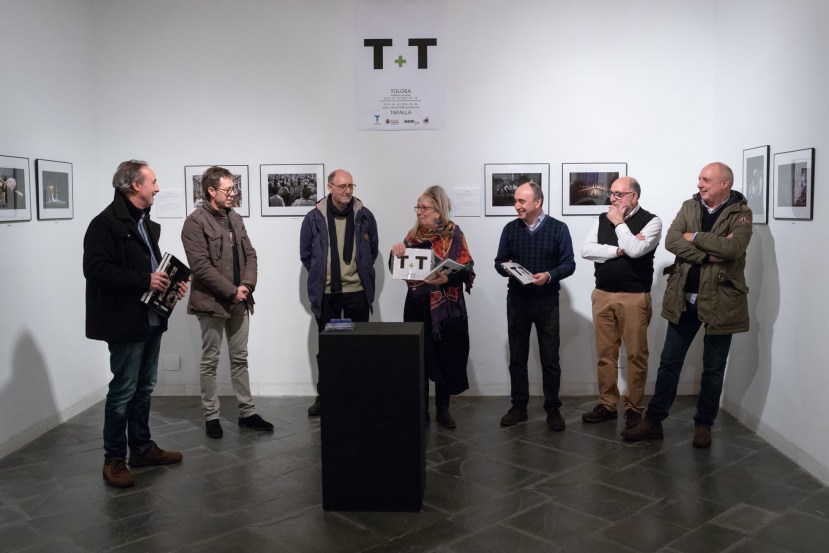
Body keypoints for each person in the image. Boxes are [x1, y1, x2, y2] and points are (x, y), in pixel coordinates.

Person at [622, 162, 752, 448]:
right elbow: (671, 241)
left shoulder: (741, 213)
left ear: (724, 183)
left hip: (722, 302)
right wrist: (707, 254)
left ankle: (704, 424)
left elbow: (734, 249)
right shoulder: (689, 206)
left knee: (713, 368)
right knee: (669, 363)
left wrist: (694, 236)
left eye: (705, 180)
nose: (699, 184)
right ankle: (654, 421)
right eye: (699, 179)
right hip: (683, 298)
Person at [83, 160, 187, 488]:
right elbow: (95, 270)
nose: (157, 188)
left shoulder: (143, 221)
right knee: (124, 390)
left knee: (144, 387)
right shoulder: (104, 224)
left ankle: (141, 448)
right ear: (134, 185)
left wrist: (170, 286)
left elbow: (151, 267)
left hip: (150, 318)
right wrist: (146, 280)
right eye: (153, 182)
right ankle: (114, 458)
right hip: (124, 321)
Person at [181, 166, 274, 439]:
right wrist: (232, 291)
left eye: (234, 188)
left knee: (240, 358)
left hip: (240, 300)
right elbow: (200, 267)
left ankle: (247, 412)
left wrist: (247, 286)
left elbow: (251, 255)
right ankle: (211, 416)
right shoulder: (194, 223)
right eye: (228, 189)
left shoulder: (235, 217)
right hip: (212, 302)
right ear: (211, 191)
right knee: (210, 360)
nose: (233, 193)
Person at [580, 177, 662, 429]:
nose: (612, 198)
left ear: (633, 197)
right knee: (605, 355)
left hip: (634, 297)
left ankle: (634, 408)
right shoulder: (600, 219)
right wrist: (617, 250)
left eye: (618, 194)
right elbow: (586, 250)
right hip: (602, 294)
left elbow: (637, 251)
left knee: (636, 355)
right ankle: (607, 404)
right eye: (612, 193)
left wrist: (619, 224)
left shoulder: (652, 221)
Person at [494, 180, 576, 431]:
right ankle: (519, 407)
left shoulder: (559, 228)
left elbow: (569, 264)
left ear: (537, 202)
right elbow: (498, 262)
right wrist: (507, 268)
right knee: (517, 357)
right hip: (517, 301)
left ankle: (553, 409)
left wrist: (549, 276)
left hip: (547, 302)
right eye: (515, 201)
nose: (516, 205)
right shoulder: (510, 229)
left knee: (550, 358)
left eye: (521, 201)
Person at [390, 186, 475, 428]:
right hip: (417, 307)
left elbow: (467, 268)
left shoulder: (454, 234)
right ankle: (422, 411)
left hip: (446, 310)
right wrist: (395, 254)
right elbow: (398, 270)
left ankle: (443, 410)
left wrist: (446, 278)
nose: (419, 211)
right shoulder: (411, 237)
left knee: (445, 357)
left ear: (438, 211)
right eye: (417, 207)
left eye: (424, 207)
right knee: (419, 358)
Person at [300, 169, 379, 416]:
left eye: (350, 186)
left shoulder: (364, 216)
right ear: (330, 187)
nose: (347, 191)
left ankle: (358, 393)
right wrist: (322, 274)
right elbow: (306, 254)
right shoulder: (314, 218)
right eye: (342, 186)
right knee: (329, 348)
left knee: (359, 346)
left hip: (357, 292)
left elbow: (372, 251)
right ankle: (327, 395)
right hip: (327, 294)